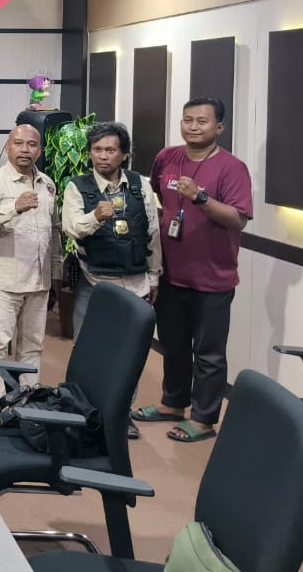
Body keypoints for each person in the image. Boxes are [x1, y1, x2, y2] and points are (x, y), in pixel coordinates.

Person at [133, 97, 252, 444]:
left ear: (219, 127)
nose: (193, 127)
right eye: (188, 120)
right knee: (173, 345)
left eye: (202, 121)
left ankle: (203, 418)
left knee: (209, 354)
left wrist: (200, 198)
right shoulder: (167, 157)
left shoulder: (232, 168)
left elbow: (238, 219)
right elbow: (156, 194)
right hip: (171, 273)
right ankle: (173, 403)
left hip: (212, 279)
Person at [0, 124, 61, 395]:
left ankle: (28, 401)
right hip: (5, 281)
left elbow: (54, 231)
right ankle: (1, 403)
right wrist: (14, 207)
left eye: (31, 144)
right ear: (8, 147)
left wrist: (56, 271)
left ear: (39, 150)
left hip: (39, 281)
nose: (25, 149)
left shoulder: (47, 184)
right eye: (18, 143)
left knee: (32, 346)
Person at [62, 121, 162, 338]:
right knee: (88, 346)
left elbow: (153, 232)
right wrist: (95, 217)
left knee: (130, 347)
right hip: (94, 281)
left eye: (110, 150)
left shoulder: (140, 184)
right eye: (97, 150)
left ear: (124, 155)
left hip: (137, 283)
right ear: (89, 153)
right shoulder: (77, 186)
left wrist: (154, 276)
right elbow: (71, 228)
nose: (102, 156)